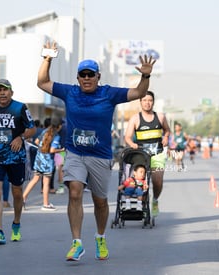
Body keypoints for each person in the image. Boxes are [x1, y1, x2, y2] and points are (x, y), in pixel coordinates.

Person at [37, 41, 155, 261]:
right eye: (83, 74)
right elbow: (42, 82)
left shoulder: (109, 94)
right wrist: (47, 59)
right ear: (78, 78)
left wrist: (146, 76)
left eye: (91, 74)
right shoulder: (70, 92)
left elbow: (139, 92)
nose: (87, 78)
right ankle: (77, 243)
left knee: (100, 202)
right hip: (75, 154)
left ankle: (100, 237)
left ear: (98, 77)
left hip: (100, 156)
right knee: (74, 191)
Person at [0, 78, 36, 245]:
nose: (2, 93)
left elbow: (32, 128)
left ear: (11, 92)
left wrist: (20, 137)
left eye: (5, 90)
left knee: (17, 192)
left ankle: (16, 223)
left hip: (15, 155)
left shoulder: (20, 107)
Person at [124, 91, 170, 217]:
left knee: (157, 180)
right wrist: (132, 144)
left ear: (153, 102)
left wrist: (166, 137)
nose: (147, 103)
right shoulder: (135, 118)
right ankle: (142, 201)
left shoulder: (160, 117)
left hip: (157, 153)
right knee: (140, 180)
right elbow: (127, 137)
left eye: (150, 100)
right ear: (140, 102)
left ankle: (155, 200)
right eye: (144, 100)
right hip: (141, 154)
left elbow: (167, 130)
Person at [23, 116, 63, 211]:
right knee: (46, 183)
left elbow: (36, 142)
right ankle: (45, 204)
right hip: (47, 162)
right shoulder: (56, 136)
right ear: (59, 126)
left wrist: (43, 148)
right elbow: (52, 150)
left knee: (35, 179)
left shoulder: (45, 131)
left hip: (39, 159)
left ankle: (23, 198)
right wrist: (61, 150)